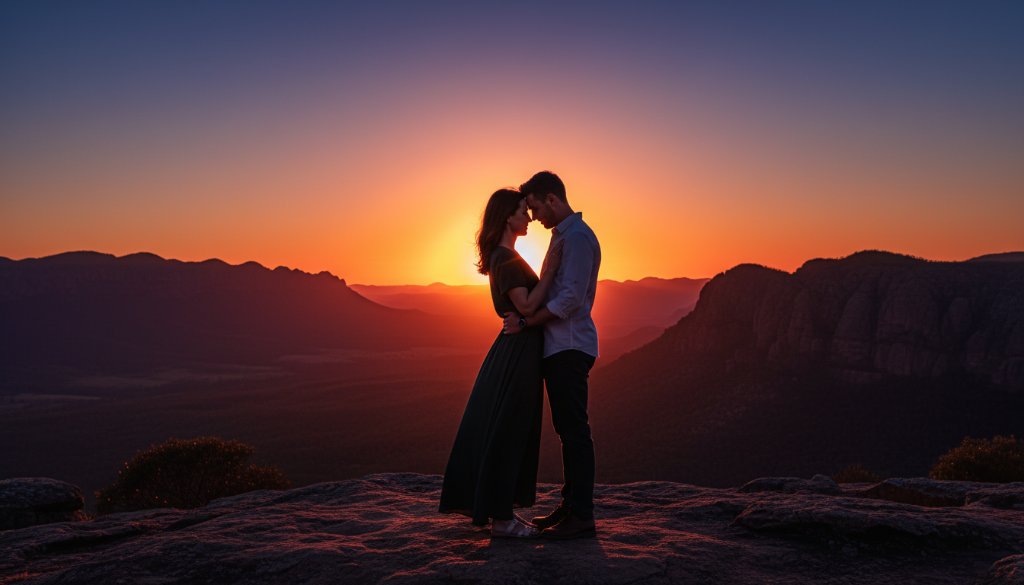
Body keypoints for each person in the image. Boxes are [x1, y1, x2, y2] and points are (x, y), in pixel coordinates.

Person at [439, 188, 561, 538]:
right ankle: (503, 520)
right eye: (523, 211)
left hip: (518, 349)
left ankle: (502, 512)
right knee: (509, 428)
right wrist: (551, 272)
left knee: (510, 428)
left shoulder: (505, 256)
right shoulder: (505, 258)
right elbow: (526, 306)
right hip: (518, 352)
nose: (529, 218)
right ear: (508, 217)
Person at [502, 170, 601, 540]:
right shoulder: (565, 237)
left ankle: (582, 516)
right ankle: (570, 507)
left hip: (569, 346)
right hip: (561, 346)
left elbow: (570, 299)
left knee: (574, 431)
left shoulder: (576, 238)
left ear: (552, 199)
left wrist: (527, 322)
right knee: (567, 430)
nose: (534, 217)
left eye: (536, 208)